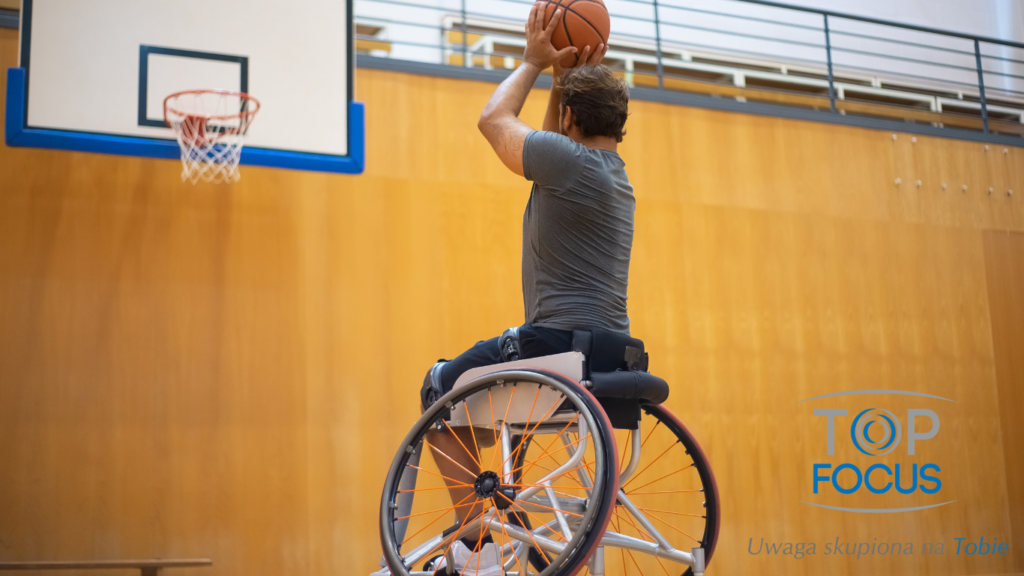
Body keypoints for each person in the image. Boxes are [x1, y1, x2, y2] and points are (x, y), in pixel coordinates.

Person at [418, 4, 633, 574]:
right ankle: (493, 527)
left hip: (553, 348)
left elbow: (494, 119)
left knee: (439, 385)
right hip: (606, 353)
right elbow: (542, 136)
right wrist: (566, 78)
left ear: (567, 121)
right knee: (477, 392)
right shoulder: (612, 175)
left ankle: (479, 546)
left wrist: (534, 61)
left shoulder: (567, 162)